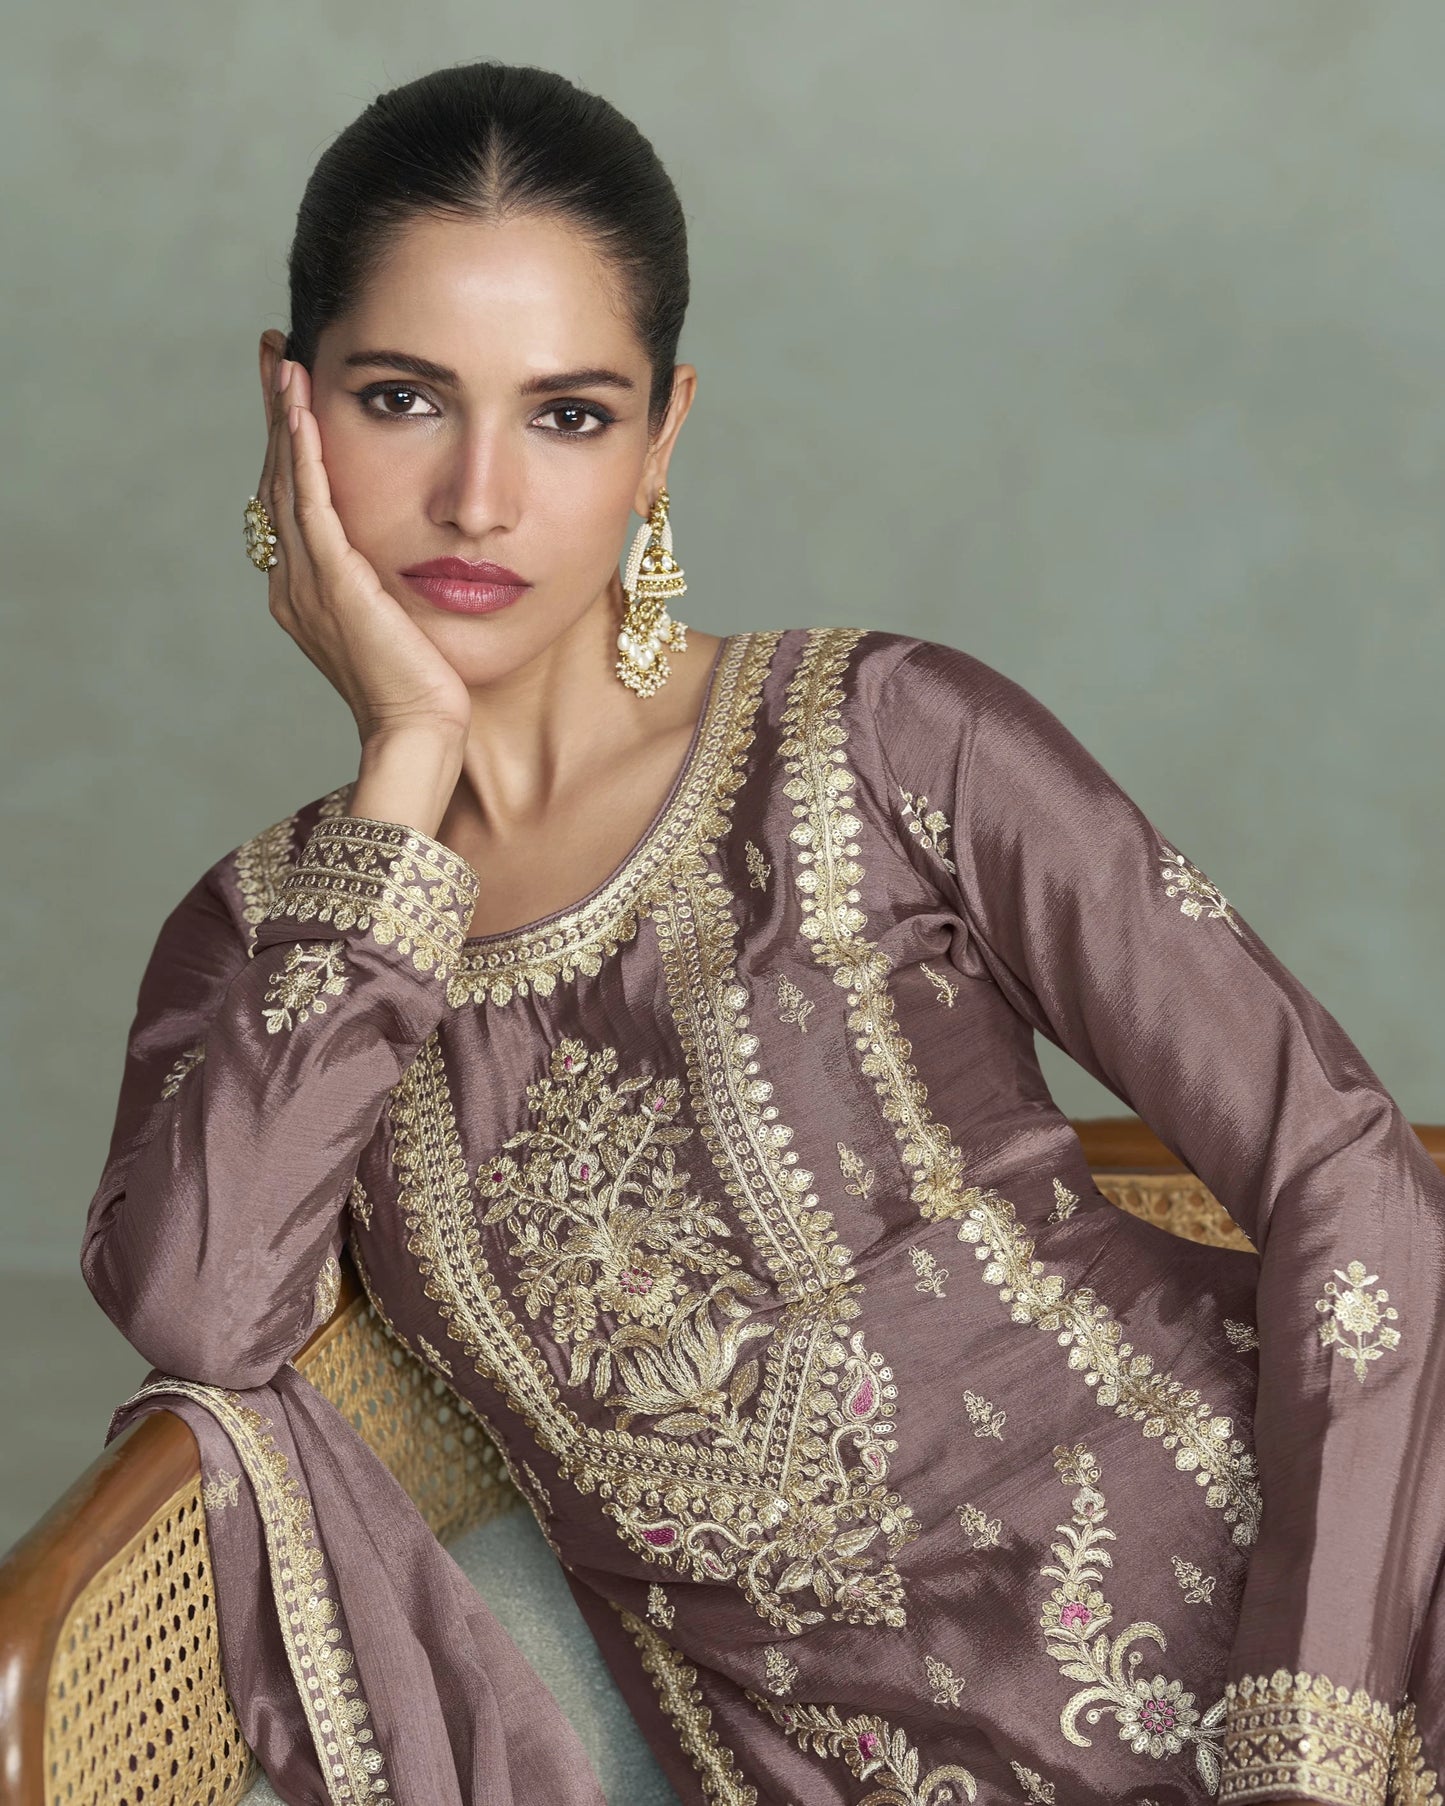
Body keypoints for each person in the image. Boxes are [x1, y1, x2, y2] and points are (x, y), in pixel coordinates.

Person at [78, 57, 1445, 1806]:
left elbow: (1345, 1161)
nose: (480, 497)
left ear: (662, 435)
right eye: (404, 398)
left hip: (1318, 1637)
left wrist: (1305, 1748)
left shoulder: (884, 741)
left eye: (567, 414)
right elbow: (202, 1312)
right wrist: (407, 766)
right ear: (290, 405)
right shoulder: (275, 937)